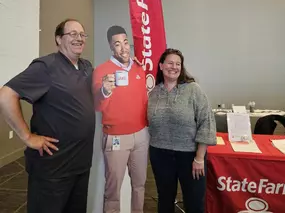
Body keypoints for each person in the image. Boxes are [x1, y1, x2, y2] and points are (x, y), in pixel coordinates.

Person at [0, 19, 95, 213]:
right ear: (58, 39)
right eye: (73, 34)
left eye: (82, 34)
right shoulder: (45, 67)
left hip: (80, 165)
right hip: (53, 169)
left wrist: (127, 62)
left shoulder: (86, 67)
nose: (79, 38)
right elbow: (6, 95)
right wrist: (27, 137)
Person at [147, 48, 216, 213]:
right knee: (164, 199)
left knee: (193, 202)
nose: (174, 67)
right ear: (161, 66)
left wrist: (199, 157)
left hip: (190, 156)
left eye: (178, 64)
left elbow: (206, 122)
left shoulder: (193, 90)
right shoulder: (154, 92)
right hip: (160, 154)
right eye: (170, 63)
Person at [93, 25, 148, 213]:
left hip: (141, 136)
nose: (124, 48)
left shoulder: (138, 67)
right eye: (117, 44)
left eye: (125, 42)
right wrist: (105, 91)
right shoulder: (101, 71)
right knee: (113, 190)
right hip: (116, 137)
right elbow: (96, 105)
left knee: (139, 186)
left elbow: (143, 100)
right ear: (111, 47)